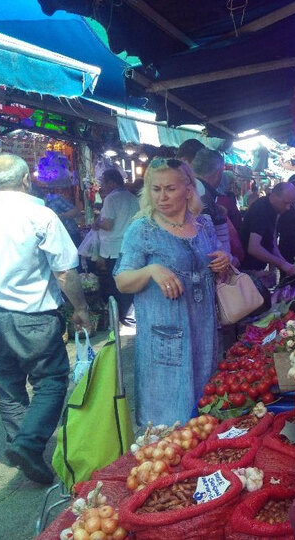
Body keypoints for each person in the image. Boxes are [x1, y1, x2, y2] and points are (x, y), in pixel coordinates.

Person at [0, 154, 92, 484]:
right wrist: (80, 308)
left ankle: (22, 448)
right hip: (32, 317)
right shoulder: (41, 215)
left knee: (7, 388)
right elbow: (64, 272)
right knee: (50, 381)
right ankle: (28, 445)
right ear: (25, 181)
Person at [113, 158, 231, 427]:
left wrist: (224, 260)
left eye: (170, 189)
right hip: (164, 338)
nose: (162, 197)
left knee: (204, 412)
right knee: (168, 420)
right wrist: (151, 270)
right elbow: (122, 281)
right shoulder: (142, 229)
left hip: (203, 332)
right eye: (156, 189)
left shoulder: (204, 225)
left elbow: (218, 265)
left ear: (188, 190)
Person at [95, 169, 139, 322]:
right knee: (130, 281)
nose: (102, 187)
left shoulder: (110, 199)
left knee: (116, 283)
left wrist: (96, 223)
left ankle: (120, 316)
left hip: (113, 249)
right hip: (131, 246)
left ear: (112, 182)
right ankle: (129, 315)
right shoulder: (133, 198)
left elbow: (107, 224)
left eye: (103, 183)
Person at [239, 183, 295, 286]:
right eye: (286, 203)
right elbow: (253, 247)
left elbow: (272, 240)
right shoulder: (261, 210)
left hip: (258, 268)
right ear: (274, 196)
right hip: (247, 269)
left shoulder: (274, 209)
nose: (288, 208)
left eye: (291, 204)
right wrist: (281, 264)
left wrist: (284, 263)